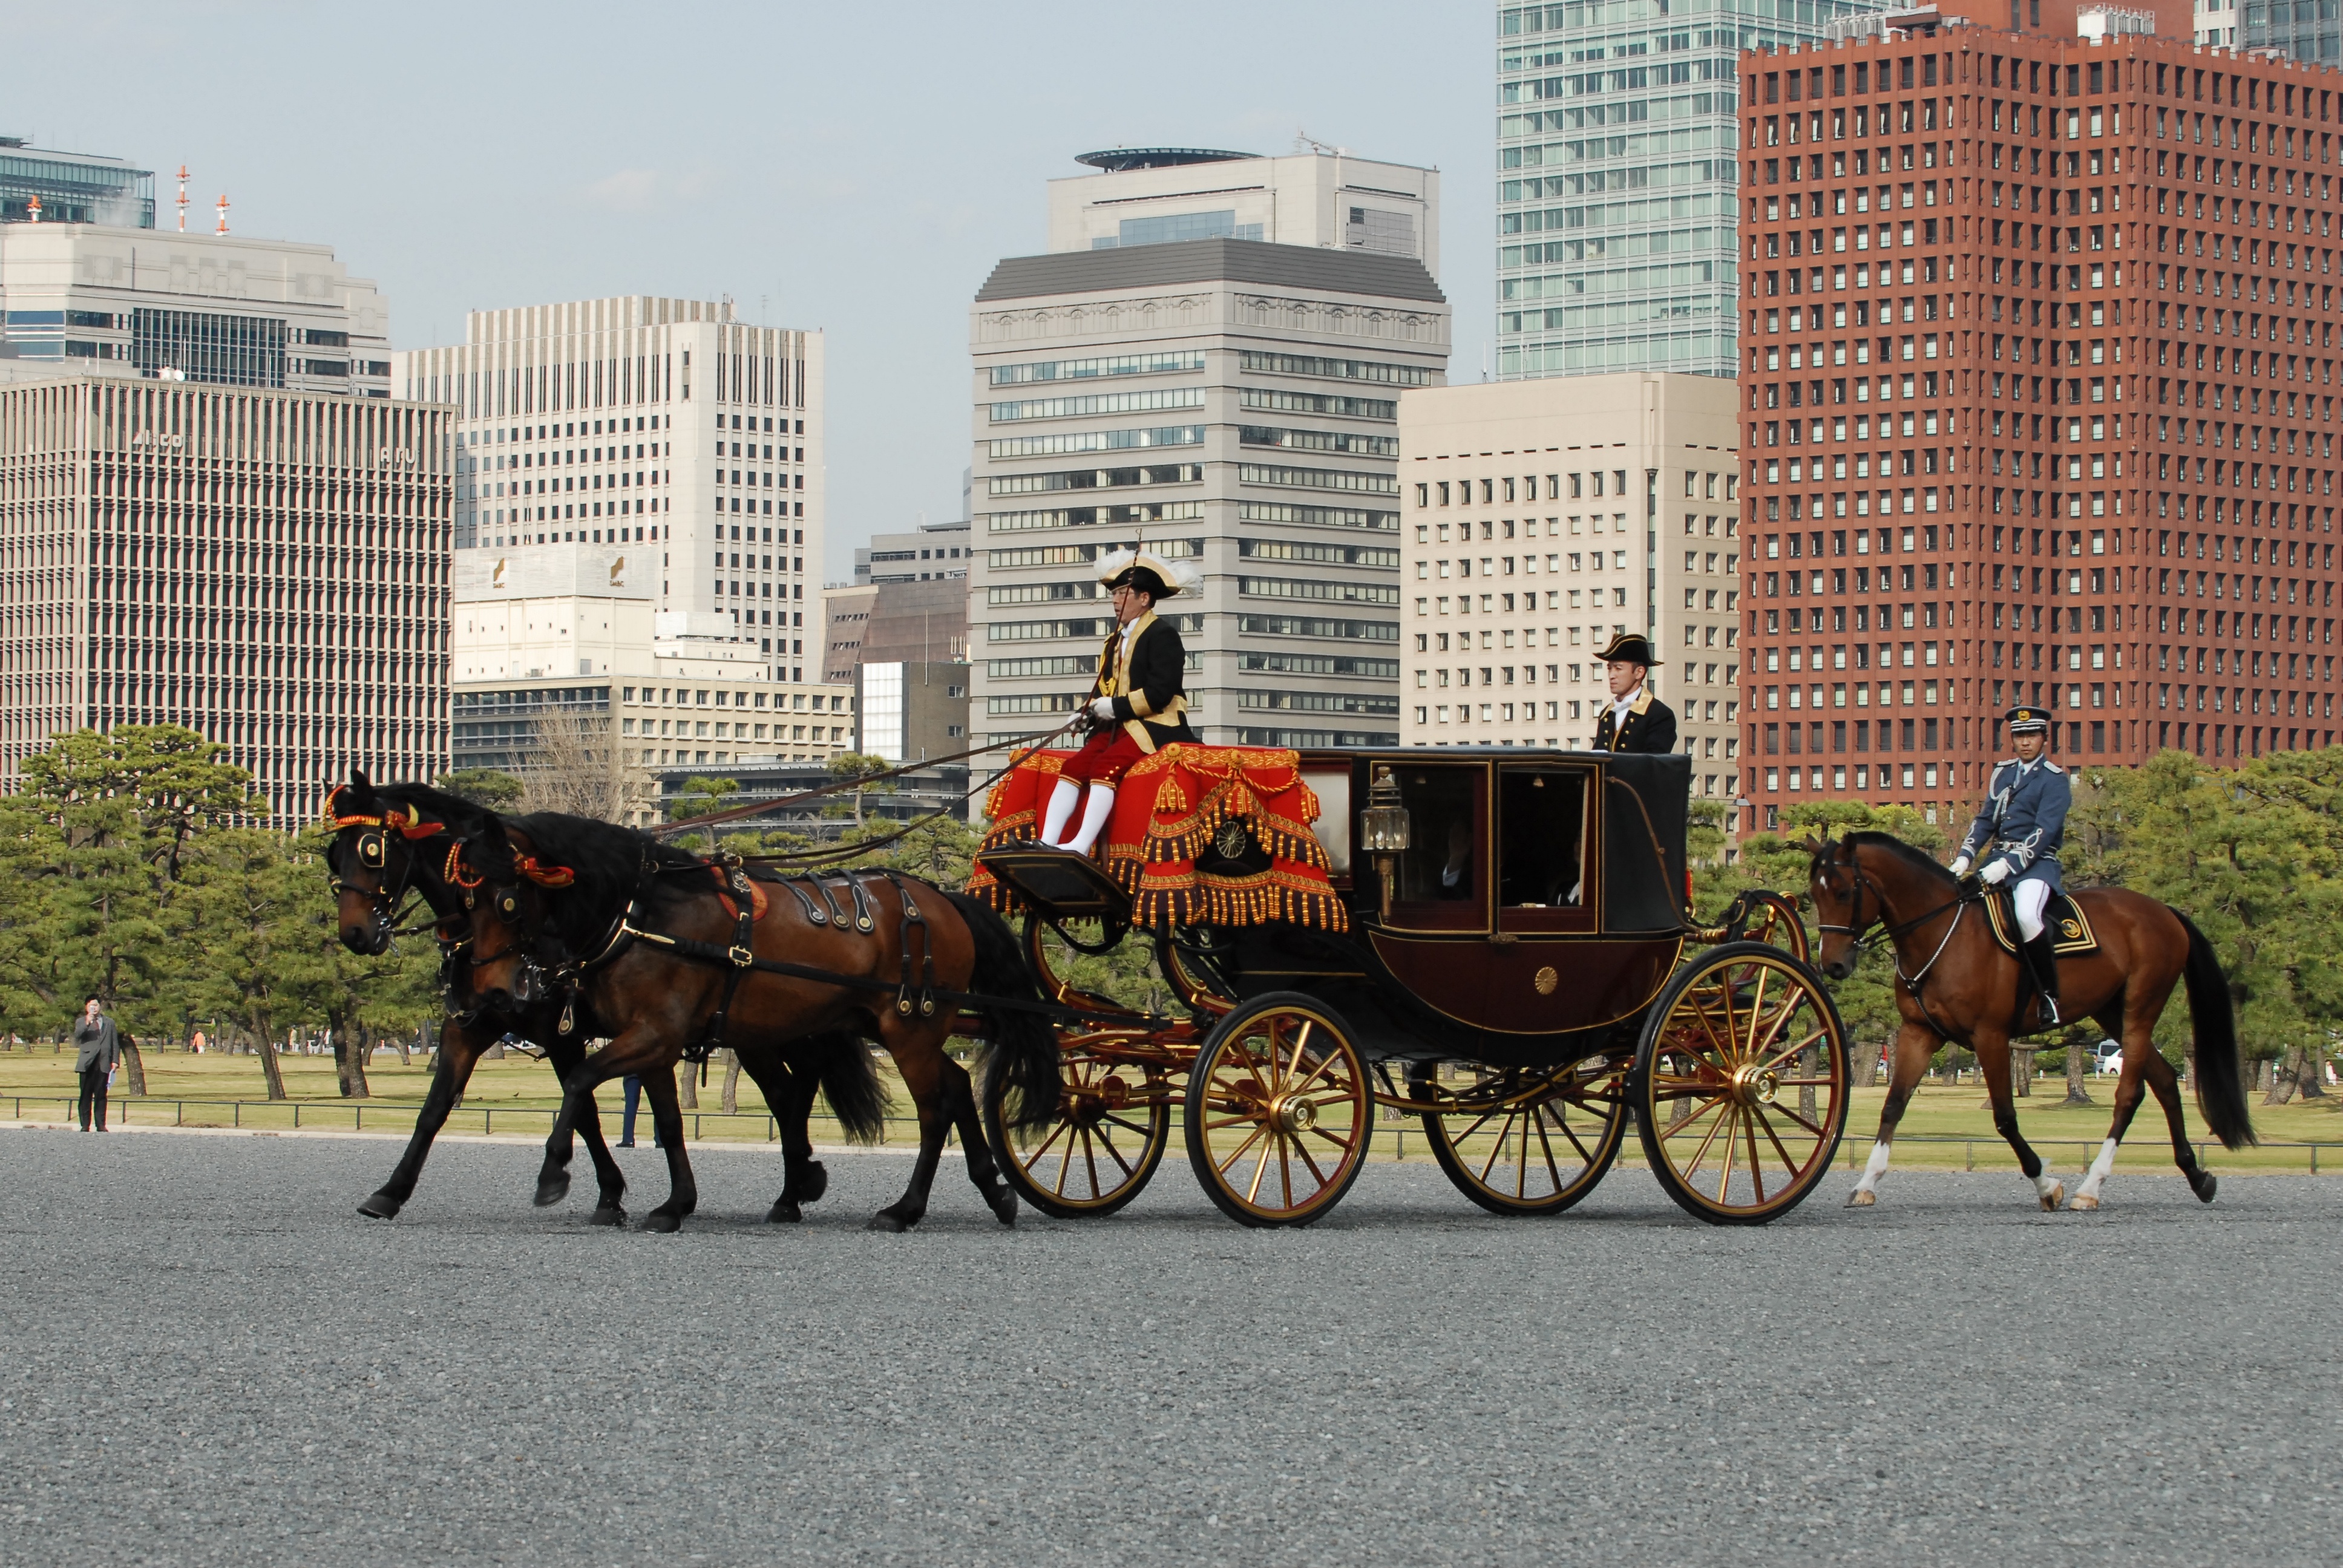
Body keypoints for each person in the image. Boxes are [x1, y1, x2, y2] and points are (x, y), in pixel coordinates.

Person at [1033, 547, 1199, 855]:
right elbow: (1105, 689)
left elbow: (1162, 692)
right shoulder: (1113, 640)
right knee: (1074, 766)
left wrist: (1115, 707)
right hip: (1117, 726)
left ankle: (1082, 845)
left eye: (1123, 593)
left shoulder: (1162, 635)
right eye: (1115, 594)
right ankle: (1047, 841)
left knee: (1105, 768)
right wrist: (1085, 714)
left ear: (1144, 599)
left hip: (1155, 725)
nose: (1114, 600)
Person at [1950, 705, 2071, 1025]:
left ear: (2045, 738)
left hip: (2036, 865)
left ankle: (2048, 995)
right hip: (1994, 861)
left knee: (2026, 915)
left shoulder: (2055, 780)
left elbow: (2044, 832)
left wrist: (2007, 865)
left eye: (2032, 735)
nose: (2025, 742)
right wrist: (1965, 856)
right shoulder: (2002, 773)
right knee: (1959, 910)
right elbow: (1986, 820)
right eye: (2019, 736)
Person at [1588, 632, 1678, 754]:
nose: (1611, 675)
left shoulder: (1659, 714)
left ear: (1639, 672)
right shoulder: (1606, 714)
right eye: (1609, 668)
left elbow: (1654, 763)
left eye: (1618, 668)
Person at [72, 999, 120, 1133]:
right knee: (85, 1095)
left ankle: (101, 1124)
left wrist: (115, 1060)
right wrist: (88, 1022)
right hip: (87, 1063)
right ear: (87, 1007)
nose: (94, 1008)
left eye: (96, 1005)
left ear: (100, 1006)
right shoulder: (81, 1021)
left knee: (101, 1095)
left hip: (103, 1062)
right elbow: (77, 1036)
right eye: (91, 1005)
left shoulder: (109, 1022)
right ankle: (85, 1124)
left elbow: (114, 1042)